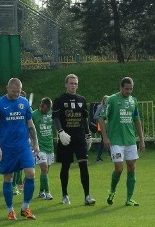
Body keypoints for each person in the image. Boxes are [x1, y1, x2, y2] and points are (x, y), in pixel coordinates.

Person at [0, 78, 40, 220]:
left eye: (18, 91)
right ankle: (10, 210)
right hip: (7, 147)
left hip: (23, 145)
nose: (16, 93)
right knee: (8, 177)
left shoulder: (24, 103)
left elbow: (30, 124)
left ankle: (25, 207)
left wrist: (35, 143)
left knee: (30, 173)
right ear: (7, 88)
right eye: (14, 91)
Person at [100, 77, 145, 207]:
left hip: (130, 140)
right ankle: (112, 191)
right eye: (126, 89)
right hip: (116, 141)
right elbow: (101, 119)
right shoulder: (112, 100)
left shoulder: (133, 101)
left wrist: (141, 140)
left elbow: (137, 120)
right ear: (121, 87)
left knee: (132, 167)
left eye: (131, 89)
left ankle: (129, 198)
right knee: (119, 169)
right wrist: (105, 137)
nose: (129, 91)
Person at [52, 74, 96, 206]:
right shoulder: (60, 100)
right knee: (65, 166)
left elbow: (84, 118)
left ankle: (87, 196)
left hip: (79, 137)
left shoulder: (82, 99)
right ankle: (64, 194)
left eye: (75, 83)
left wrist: (88, 134)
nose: (73, 86)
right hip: (66, 137)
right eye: (71, 83)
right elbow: (56, 117)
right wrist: (60, 131)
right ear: (66, 84)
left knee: (84, 165)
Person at [32, 97, 54, 200]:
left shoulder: (51, 114)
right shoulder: (34, 115)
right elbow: (29, 128)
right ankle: (48, 192)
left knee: (46, 171)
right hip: (39, 147)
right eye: (45, 109)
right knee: (44, 168)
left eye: (48, 109)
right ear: (41, 105)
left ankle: (41, 192)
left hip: (50, 146)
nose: (46, 111)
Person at [94, 96, 108, 161]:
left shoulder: (110, 106)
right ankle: (99, 157)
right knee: (104, 140)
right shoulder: (100, 107)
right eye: (105, 100)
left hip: (109, 125)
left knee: (107, 140)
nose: (106, 101)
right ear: (103, 100)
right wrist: (103, 118)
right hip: (102, 126)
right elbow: (95, 116)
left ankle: (99, 157)